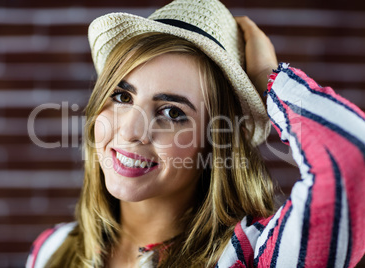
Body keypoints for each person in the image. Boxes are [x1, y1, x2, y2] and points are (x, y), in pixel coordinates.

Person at [26, 0, 365, 267]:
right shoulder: (52, 250)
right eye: (121, 96)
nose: (131, 131)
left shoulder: (256, 256)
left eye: (173, 112)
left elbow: (354, 156)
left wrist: (266, 76)